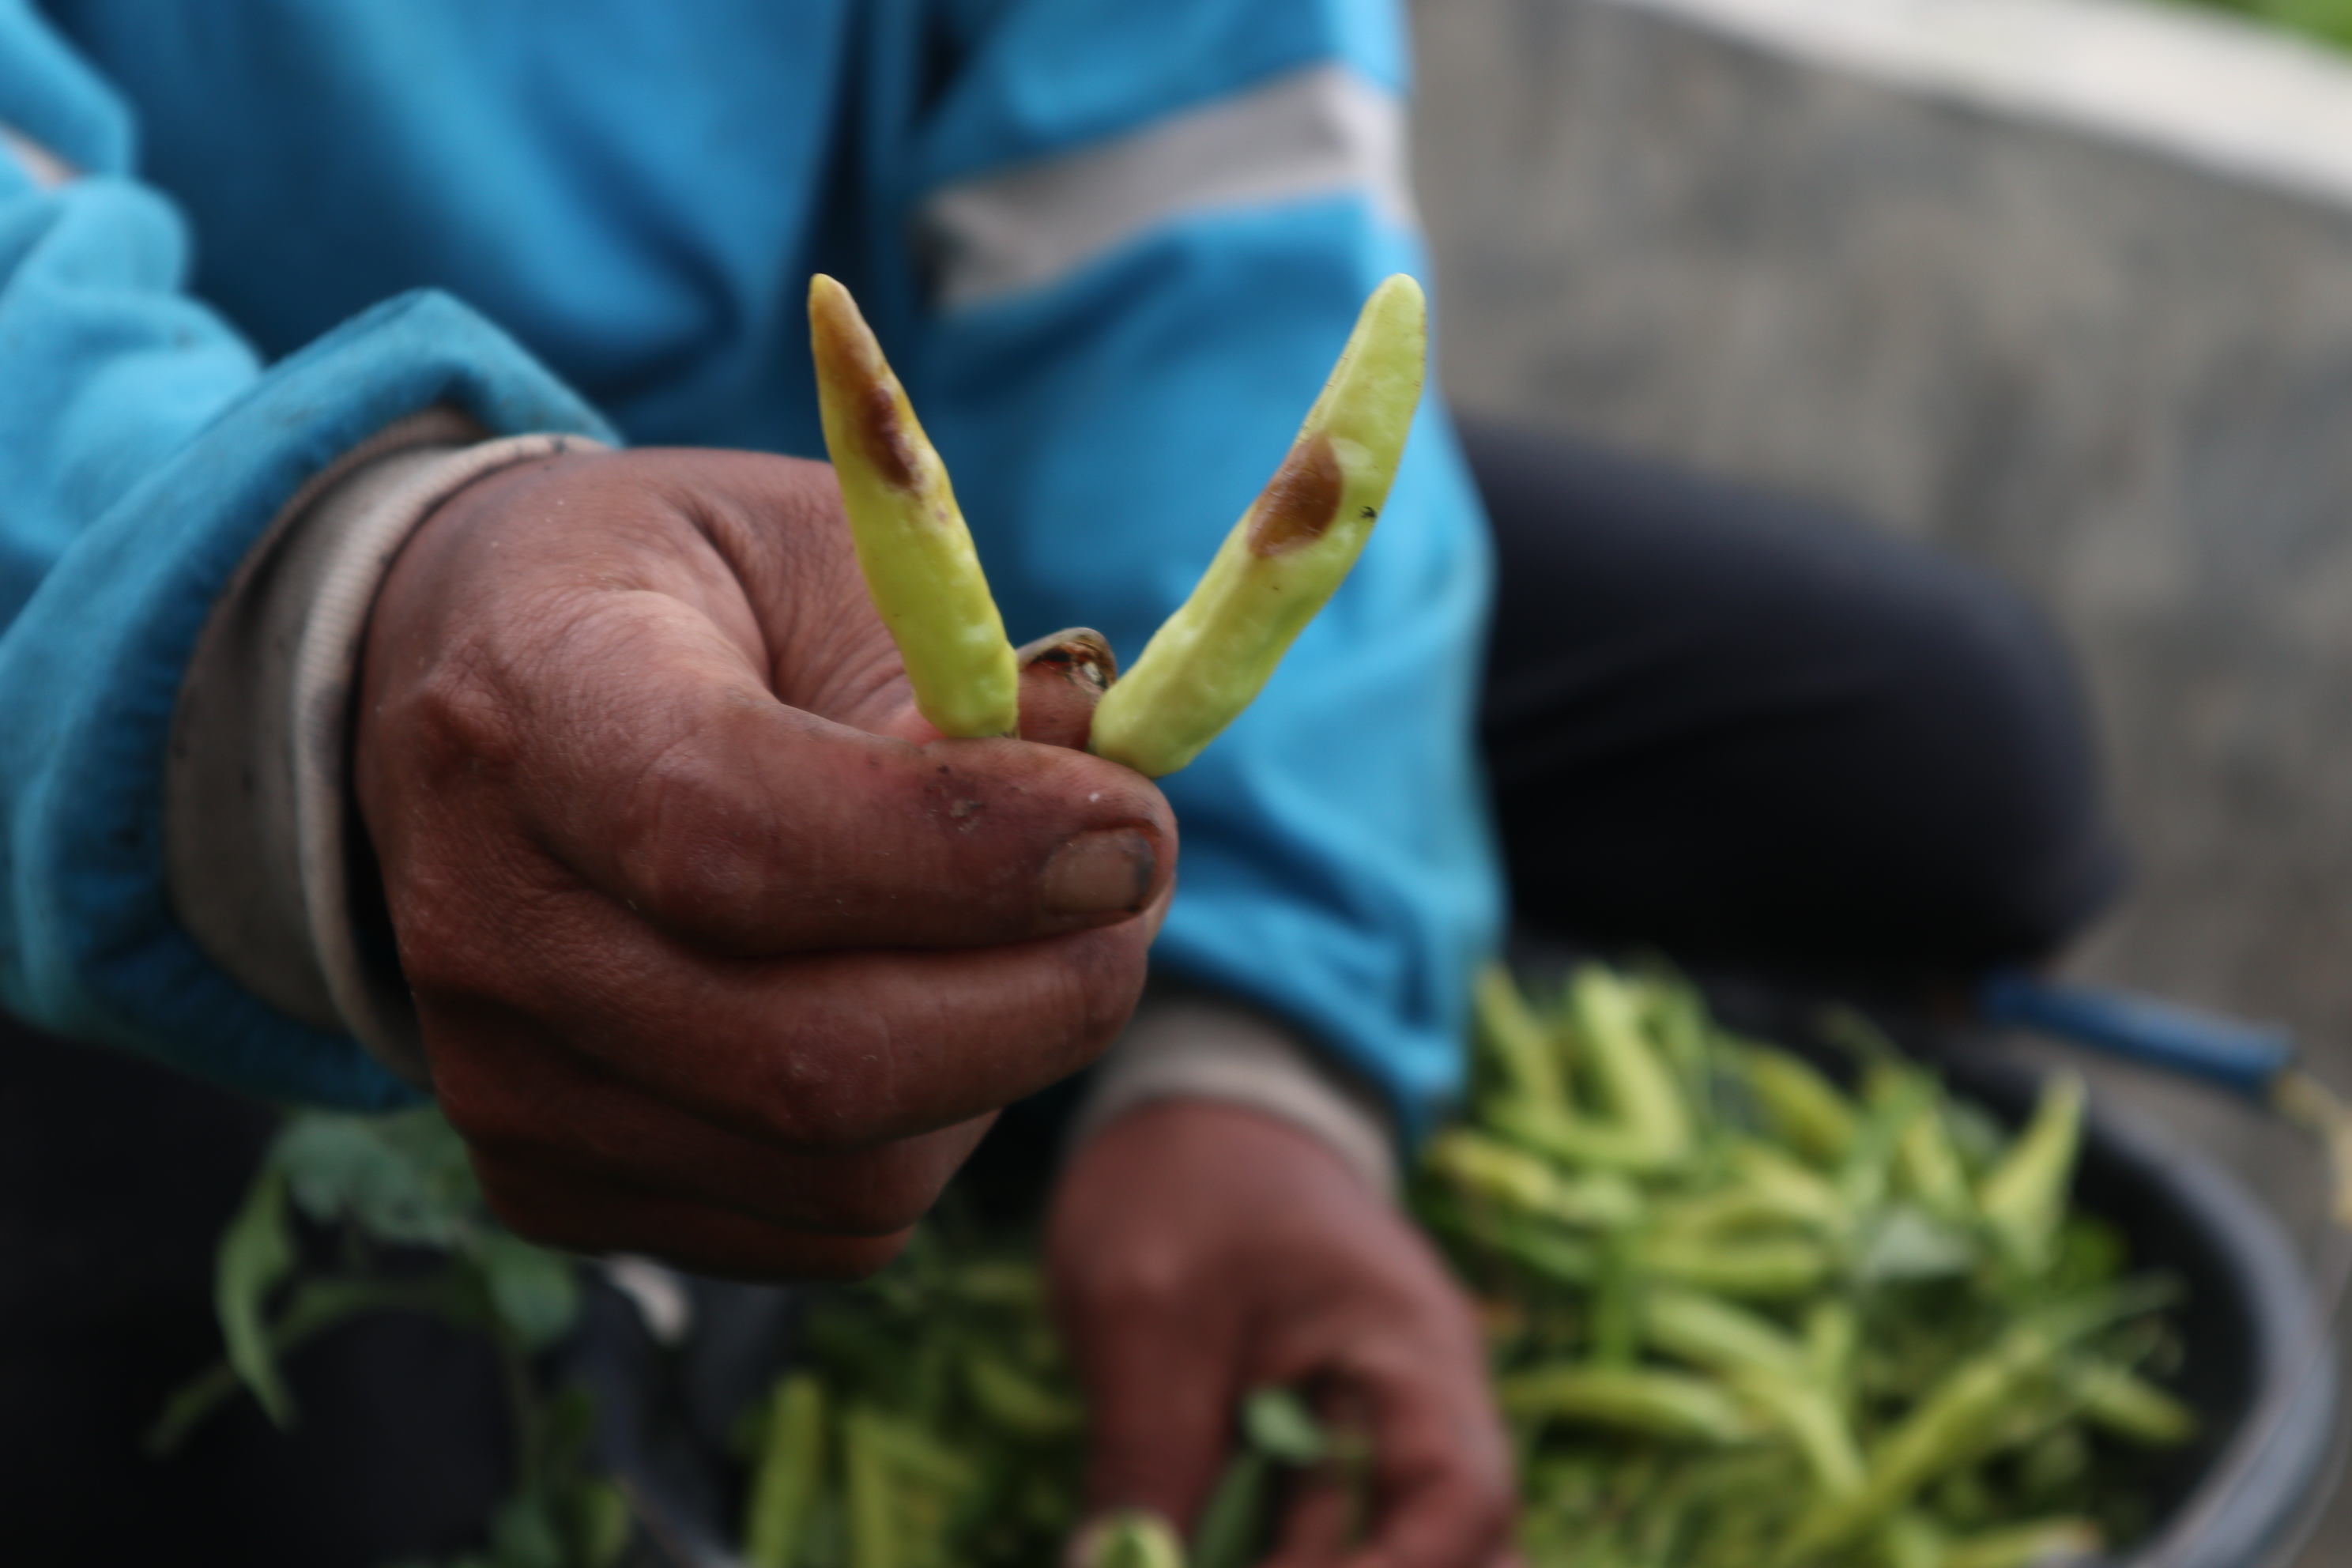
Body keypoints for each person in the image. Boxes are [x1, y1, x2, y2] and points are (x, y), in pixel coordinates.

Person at [0, 2, 2117, 1564]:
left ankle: (1053, 1048)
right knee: (344, 1433)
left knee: (1934, 761)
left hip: (841, 487)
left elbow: (1200, 202)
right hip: (161, 518)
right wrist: (319, 615)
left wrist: (1249, 1049)